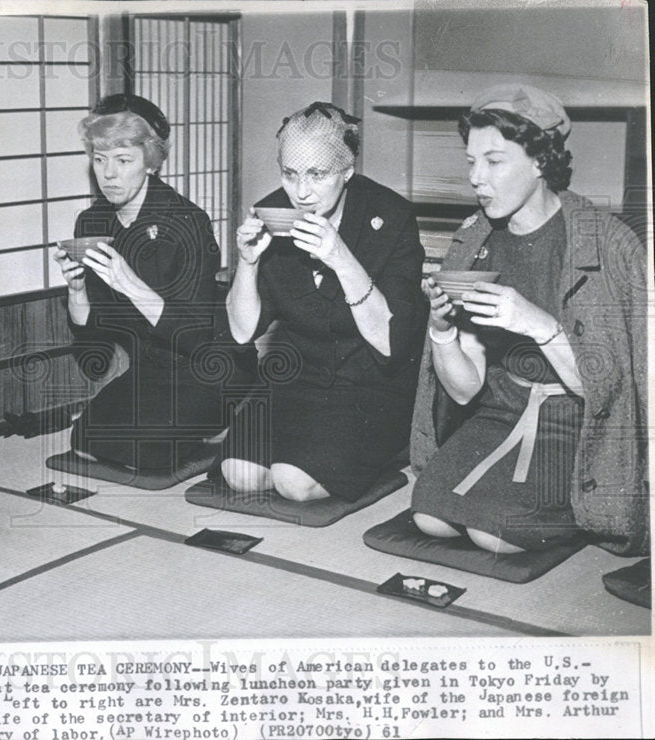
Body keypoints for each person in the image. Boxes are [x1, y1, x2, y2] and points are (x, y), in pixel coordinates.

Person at [410, 84, 648, 555]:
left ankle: (582, 507)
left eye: (494, 161)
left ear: (541, 161)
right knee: (429, 513)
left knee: (493, 530)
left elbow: (610, 390)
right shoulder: (475, 240)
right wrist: (442, 331)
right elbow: (463, 388)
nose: (477, 178)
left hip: (578, 424)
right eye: (471, 162)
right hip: (500, 411)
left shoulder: (606, 244)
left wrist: (536, 322)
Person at [222, 102, 427, 502]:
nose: (301, 192)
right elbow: (242, 331)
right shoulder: (273, 212)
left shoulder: (390, 216)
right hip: (295, 377)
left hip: (367, 385)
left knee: (294, 483)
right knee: (239, 474)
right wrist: (246, 264)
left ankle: (382, 452)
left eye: (317, 174)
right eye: (290, 173)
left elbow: (390, 341)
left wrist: (341, 257)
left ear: (347, 170)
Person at [53, 93, 227, 472]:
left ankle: (219, 425)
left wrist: (129, 282)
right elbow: (93, 349)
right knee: (83, 441)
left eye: (123, 160)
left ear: (150, 163)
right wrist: (77, 292)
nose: (108, 174)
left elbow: (195, 335)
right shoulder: (92, 224)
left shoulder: (187, 222)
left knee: (149, 455)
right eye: (99, 161)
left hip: (205, 369)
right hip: (148, 371)